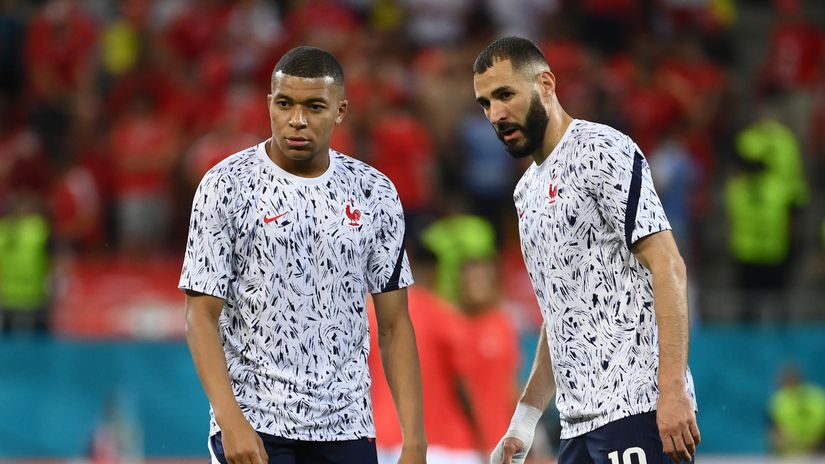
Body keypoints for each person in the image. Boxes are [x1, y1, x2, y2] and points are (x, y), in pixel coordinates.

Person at [179, 46, 426, 464]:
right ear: (268, 104)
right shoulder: (225, 185)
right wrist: (229, 419)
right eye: (284, 104)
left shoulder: (375, 192)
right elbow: (199, 316)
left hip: (349, 427)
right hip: (256, 424)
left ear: (340, 110)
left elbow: (395, 324)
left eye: (314, 106)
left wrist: (415, 442)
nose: (297, 120)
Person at [472, 37, 700, 464]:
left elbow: (668, 264)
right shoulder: (526, 192)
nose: (496, 114)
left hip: (638, 411)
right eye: (485, 103)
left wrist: (671, 393)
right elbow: (560, 312)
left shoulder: (601, 150)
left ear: (545, 84)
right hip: (576, 430)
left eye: (505, 95)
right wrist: (523, 421)